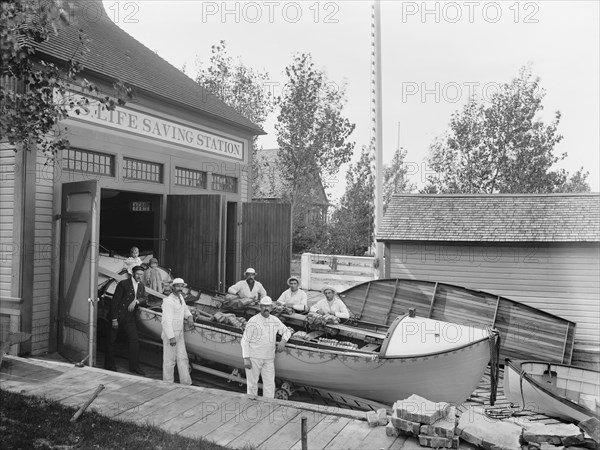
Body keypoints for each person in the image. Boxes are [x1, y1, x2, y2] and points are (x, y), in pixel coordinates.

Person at [240, 297, 291, 398]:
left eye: (268, 306)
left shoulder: (275, 320)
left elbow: (287, 331)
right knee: (252, 384)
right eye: (263, 306)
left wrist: (283, 341)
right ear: (260, 307)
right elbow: (245, 340)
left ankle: (268, 406)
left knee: (269, 385)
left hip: (269, 358)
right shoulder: (253, 320)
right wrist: (246, 358)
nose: (266, 308)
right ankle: (251, 404)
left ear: (271, 307)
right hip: (254, 357)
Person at [105, 265, 147, 375]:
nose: (139, 276)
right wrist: (114, 319)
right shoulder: (123, 284)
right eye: (138, 274)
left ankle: (134, 367)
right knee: (111, 341)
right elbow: (115, 302)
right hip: (118, 315)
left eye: (141, 275)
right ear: (133, 273)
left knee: (134, 341)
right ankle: (109, 365)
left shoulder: (141, 286)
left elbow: (145, 299)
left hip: (130, 318)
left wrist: (136, 301)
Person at [161, 278, 193, 385]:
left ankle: (186, 382)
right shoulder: (168, 302)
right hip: (171, 334)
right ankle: (168, 383)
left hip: (179, 333)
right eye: (178, 286)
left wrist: (189, 316)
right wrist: (171, 337)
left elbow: (185, 309)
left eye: (182, 286)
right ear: (173, 287)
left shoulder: (180, 298)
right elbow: (166, 321)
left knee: (182, 358)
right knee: (169, 361)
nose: (180, 288)